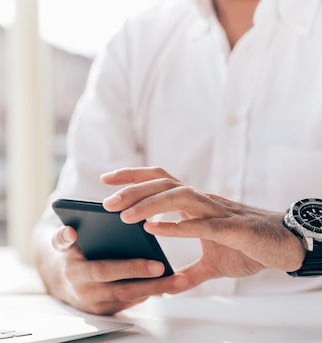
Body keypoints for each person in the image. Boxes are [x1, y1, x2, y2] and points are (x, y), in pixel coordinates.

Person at [32, 0, 322, 315]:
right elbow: (54, 229)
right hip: (161, 339)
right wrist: (69, 276)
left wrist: (297, 238)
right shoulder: (138, 42)